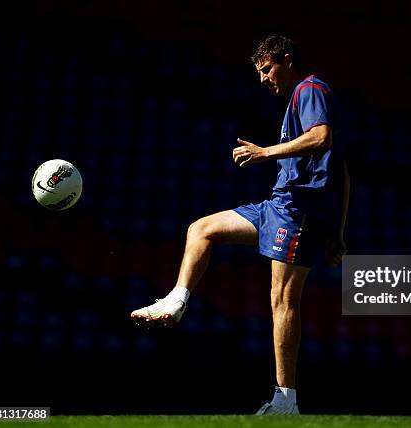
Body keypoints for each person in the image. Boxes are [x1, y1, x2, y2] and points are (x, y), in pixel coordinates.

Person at [131, 34, 349, 415]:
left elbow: (322, 137)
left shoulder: (309, 89)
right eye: (259, 72)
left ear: (286, 59)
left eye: (267, 69)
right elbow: (343, 172)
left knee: (282, 300)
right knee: (201, 229)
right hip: (275, 205)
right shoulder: (296, 100)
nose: (263, 78)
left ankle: (286, 401)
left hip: (296, 212)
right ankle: (176, 301)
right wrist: (339, 231)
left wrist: (265, 152)